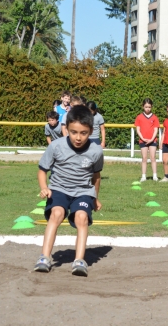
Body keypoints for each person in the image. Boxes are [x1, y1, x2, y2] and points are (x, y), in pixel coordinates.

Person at [34, 105, 104, 276]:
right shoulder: (56, 146)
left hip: (83, 191)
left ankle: (79, 261)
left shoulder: (96, 151)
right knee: (56, 213)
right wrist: (44, 188)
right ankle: (45, 257)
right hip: (59, 188)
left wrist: (95, 198)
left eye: (83, 133)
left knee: (81, 217)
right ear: (67, 129)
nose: (78, 137)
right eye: (74, 132)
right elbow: (42, 170)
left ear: (91, 131)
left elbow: (96, 177)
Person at [135, 98, 160, 182]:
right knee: (144, 158)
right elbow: (138, 129)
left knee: (153, 158)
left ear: (151, 107)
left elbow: (156, 129)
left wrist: (152, 139)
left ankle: (155, 176)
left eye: (149, 107)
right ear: (143, 107)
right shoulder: (139, 117)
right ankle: (143, 176)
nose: (148, 109)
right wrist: (143, 138)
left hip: (152, 141)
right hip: (143, 141)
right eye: (146, 107)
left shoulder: (155, 117)